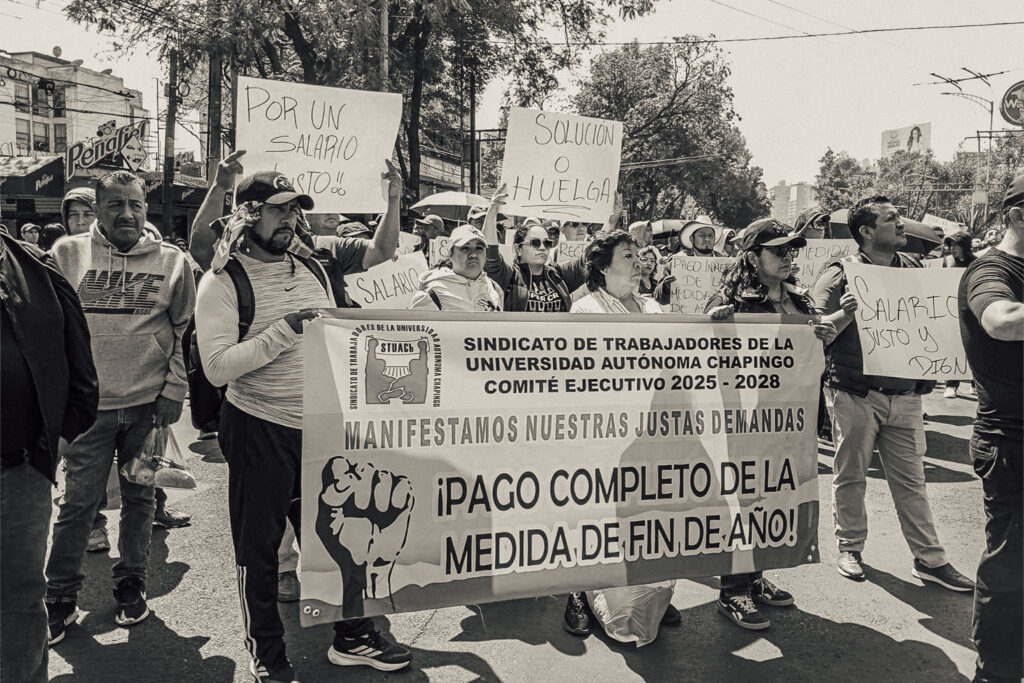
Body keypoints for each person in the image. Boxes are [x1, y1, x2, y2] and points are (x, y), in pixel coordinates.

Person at [195, 163, 410, 682]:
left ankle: (352, 637)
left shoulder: (313, 267)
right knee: (261, 550)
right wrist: (284, 332)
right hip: (259, 429)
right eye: (279, 208)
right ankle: (268, 655)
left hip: (321, 428)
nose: (290, 218)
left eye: (295, 209)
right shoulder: (223, 281)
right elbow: (217, 367)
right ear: (249, 214)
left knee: (340, 542)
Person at [45, 170, 196, 645]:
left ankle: (131, 583)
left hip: (147, 409)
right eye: (115, 206)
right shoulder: (65, 254)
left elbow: (183, 333)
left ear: (146, 209)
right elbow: (51, 333)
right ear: (99, 209)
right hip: (87, 411)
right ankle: (60, 598)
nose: (126, 214)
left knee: (140, 501)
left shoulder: (173, 261)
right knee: (77, 505)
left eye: (135, 204)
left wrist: (174, 391)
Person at [810, 195, 974, 590]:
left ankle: (930, 559)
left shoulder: (916, 271)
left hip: (906, 397)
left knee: (912, 480)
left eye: (899, 217)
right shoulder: (838, 275)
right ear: (866, 232)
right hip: (854, 395)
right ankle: (850, 548)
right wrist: (847, 312)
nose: (901, 224)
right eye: (891, 219)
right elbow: (816, 333)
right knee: (850, 476)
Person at [705, 219, 838, 630]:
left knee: (777, 496)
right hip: (746, 422)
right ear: (752, 256)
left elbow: (810, 353)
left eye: (790, 251)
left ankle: (757, 577)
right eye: (778, 251)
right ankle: (733, 590)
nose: (787, 257)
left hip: (792, 421)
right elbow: (705, 356)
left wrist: (826, 333)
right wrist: (714, 325)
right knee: (744, 500)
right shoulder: (733, 302)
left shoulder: (799, 299)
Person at [567, 229, 682, 638]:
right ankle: (579, 591)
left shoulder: (655, 307)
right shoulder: (584, 310)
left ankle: (654, 590)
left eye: (638, 255)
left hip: (650, 431)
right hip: (604, 434)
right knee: (597, 514)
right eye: (628, 255)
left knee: (645, 512)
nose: (639, 262)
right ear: (602, 266)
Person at [1, 231, 98, 681]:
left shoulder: (35, 267)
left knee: (18, 601)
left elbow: (80, 379)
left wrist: (50, 448)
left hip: (18, 472)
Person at [958, 174, 1023, 683]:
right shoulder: (989, 271)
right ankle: (996, 670)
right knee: (1011, 565)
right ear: (1018, 215)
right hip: (1012, 442)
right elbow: (1001, 320)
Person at [410, 224, 503, 311]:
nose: (473, 254)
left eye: (479, 248)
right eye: (465, 248)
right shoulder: (432, 294)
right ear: (450, 254)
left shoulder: (494, 288)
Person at [943, 231, 978, 399]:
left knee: (975, 346)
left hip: (972, 309)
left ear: (965, 246)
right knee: (953, 347)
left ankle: (975, 384)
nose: (952, 249)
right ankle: (951, 385)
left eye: (955, 245)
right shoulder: (947, 262)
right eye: (950, 246)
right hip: (951, 309)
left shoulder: (977, 263)